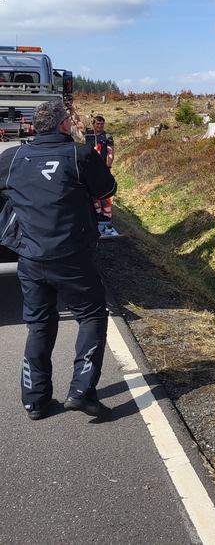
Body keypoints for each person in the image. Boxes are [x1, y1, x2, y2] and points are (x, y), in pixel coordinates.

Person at [0, 100, 117, 420]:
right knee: (92, 315)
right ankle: (81, 391)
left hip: (29, 257)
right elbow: (107, 188)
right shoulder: (80, 155)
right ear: (64, 125)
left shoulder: (12, 158)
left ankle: (35, 401)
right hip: (71, 256)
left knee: (38, 326)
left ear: (36, 127)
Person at [84, 114, 116, 235]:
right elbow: (77, 123)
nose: (99, 126)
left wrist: (108, 166)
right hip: (87, 167)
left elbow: (111, 152)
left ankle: (107, 216)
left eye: (101, 124)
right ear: (93, 124)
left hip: (101, 167)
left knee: (103, 191)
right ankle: (96, 213)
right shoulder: (88, 134)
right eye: (97, 124)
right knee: (91, 192)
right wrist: (71, 108)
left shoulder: (107, 136)